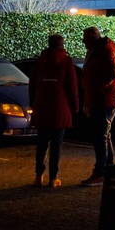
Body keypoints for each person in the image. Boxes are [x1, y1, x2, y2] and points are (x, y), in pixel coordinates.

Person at [30, 34, 79, 188]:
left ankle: (38, 176)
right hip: (60, 107)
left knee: (42, 144)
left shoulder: (40, 61)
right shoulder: (66, 61)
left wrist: (33, 103)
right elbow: (72, 86)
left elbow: (32, 84)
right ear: (61, 44)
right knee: (56, 145)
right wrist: (74, 106)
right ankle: (53, 178)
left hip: (42, 106)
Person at [80, 26, 115, 186]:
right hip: (102, 99)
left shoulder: (103, 51)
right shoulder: (98, 50)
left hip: (104, 100)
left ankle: (100, 173)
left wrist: (98, 90)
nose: (83, 41)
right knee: (104, 135)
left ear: (92, 38)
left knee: (100, 136)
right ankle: (108, 170)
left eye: (85, 38)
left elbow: (112, 74)